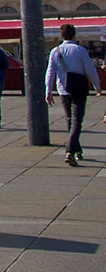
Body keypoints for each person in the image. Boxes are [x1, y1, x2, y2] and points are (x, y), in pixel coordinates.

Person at [45, 23, 102, 166]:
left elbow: (50, 72)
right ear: (74, 35)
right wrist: (97, 87)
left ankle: (77, 150)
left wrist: (48, 91)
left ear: (61, 36)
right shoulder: (80, 50)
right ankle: (70, 151)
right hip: (79, 88)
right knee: (77, 120)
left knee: (70, 120)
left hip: (63, 89)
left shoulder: (55, 51)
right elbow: (90, 70)